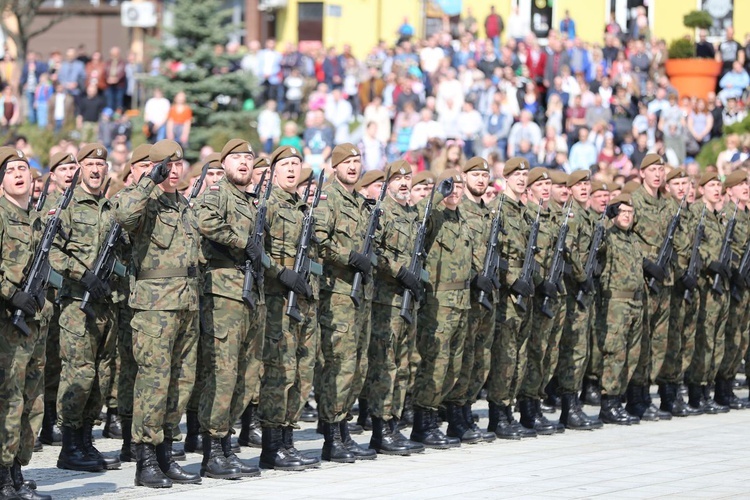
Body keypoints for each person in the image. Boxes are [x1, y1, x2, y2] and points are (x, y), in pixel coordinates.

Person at [114, 140, 201, 488]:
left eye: (179, 164)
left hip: (186, 304)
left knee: (181, 382)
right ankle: (145, 457)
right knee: (153, 382)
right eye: (167, 164)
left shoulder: (184, 206)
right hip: (154, 307)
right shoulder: (144, 201)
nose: (175, 170)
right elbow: (122, 215)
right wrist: (148, 180)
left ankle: (166, 453)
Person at [194, 139, 264, 479]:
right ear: (224, 164)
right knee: (222, 375)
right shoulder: (216, 195)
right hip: (222, 294)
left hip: (249, 294)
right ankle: (213, 450)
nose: (244, 163)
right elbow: (203, 221)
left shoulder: (251, 201)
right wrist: (242, 242)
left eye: (248, 159)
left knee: (246, 376)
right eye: (237, 158)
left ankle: (227, 443)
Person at [49, 144, 121, 474]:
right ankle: (69, 446)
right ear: (80, 168)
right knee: (79, 373)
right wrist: (84, 276)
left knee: (102, 376)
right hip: (77, 304)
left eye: (100, 164)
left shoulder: (111, 208)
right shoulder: (66, 206)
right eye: (90, 164)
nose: (95, 170)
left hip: (106, 305)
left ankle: (85, 440)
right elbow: (53, 252)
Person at [313, 144, 377, 462]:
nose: (353, 166)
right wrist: (349, 256)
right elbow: (319, 240)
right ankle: (331, 433)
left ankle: (343, 428)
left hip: (359, 294)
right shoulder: (329, 198)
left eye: (356, 161)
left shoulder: (361, 203)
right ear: (335, 166)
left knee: (357, 367)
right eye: (347, 162)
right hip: (336, 293)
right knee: (338, 365)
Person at [258, 146, 319, 472]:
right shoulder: (266, 207)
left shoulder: (305, 208)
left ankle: (288, 438)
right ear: (274, 171)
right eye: (286, 164)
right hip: (278, 300)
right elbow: (257, 251)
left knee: (302, 373)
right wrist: (281, 274)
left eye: (296, 164)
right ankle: (271, 445)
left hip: (304, 301)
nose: (292, 169)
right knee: (279, 373)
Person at [0, 147, 53, 500]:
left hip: (34, 324)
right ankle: (4, 479)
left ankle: (17, 471)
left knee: (32, 401)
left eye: (25, 168)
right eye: (11, 169)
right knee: (9, 400)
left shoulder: (34, 219)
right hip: (7, 323)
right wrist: (9, 292)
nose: (21, 174)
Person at [409, 168, 473, 449]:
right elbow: (418, 222)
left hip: (461, 302)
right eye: (450, 186)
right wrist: (437, 194)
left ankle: (438, 418)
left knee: (452, 366)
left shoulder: (461, 219)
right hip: (438, 303)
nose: (455, 191)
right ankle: (424, 423)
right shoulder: (433, 215)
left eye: (459, 186)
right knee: (434, 363)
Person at [365, 160, 425, 455]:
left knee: (404, 365)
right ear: (388, 183)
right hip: (387, 299)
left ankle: (394, 424)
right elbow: (373, 251)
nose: (404, 183)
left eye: (407, 178)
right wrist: (399, 271)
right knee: (385, 365)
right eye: (398, 178)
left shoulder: (413, 213)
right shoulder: (380, 211)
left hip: (408, 298)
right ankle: (380, 427)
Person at [441, 157, 498, 443]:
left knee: (479, 359)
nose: (480, 179)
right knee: (461, 360)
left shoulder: (488, 212)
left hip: (486, 297)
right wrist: (475, 277)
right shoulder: (457, 210)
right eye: (474, 174)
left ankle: (465, 410)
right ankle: (455, 417)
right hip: (465, 295)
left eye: (484, 175)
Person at [555, 170, 603, 430]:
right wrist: (582, 275)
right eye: (578, 185)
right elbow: (568, 250)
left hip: (585, 290)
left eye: (587, 184)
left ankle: (574, 404)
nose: (584, 188)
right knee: (573, 349)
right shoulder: (572, 217)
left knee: (581, 349)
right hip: (574, 291)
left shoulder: (587, 216)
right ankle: (568, 406)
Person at [596, 194, 645, 425]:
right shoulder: (609, 236)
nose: (626, 215)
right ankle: (609, 403)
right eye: (622, 211)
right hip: (616, 303)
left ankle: (620, 398)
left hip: (636, 302)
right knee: (615, 353)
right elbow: (597, 246)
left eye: (630, 212)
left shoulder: (633, 240)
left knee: (631, 355)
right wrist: (607, 218)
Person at [684, 171, 731, 414]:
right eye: (711, 185)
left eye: (718, 185)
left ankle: (707, 388)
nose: (716, 189)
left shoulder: (719, 217)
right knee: (703, 339)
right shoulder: (696, 214)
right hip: (704, 286)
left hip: (720, 287)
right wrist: (708, 262)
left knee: (717, 340)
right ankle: (696, 390)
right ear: (701, 189)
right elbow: (691, 247)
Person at [714, 170, 750, 409]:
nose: (746, 187)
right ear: (729, 191)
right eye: (741, 184)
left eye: (747, 182)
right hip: (734, 285)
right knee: (730, 336)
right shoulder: (727, 216)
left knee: (743, 338)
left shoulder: (747, 215)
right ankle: (722, 387)